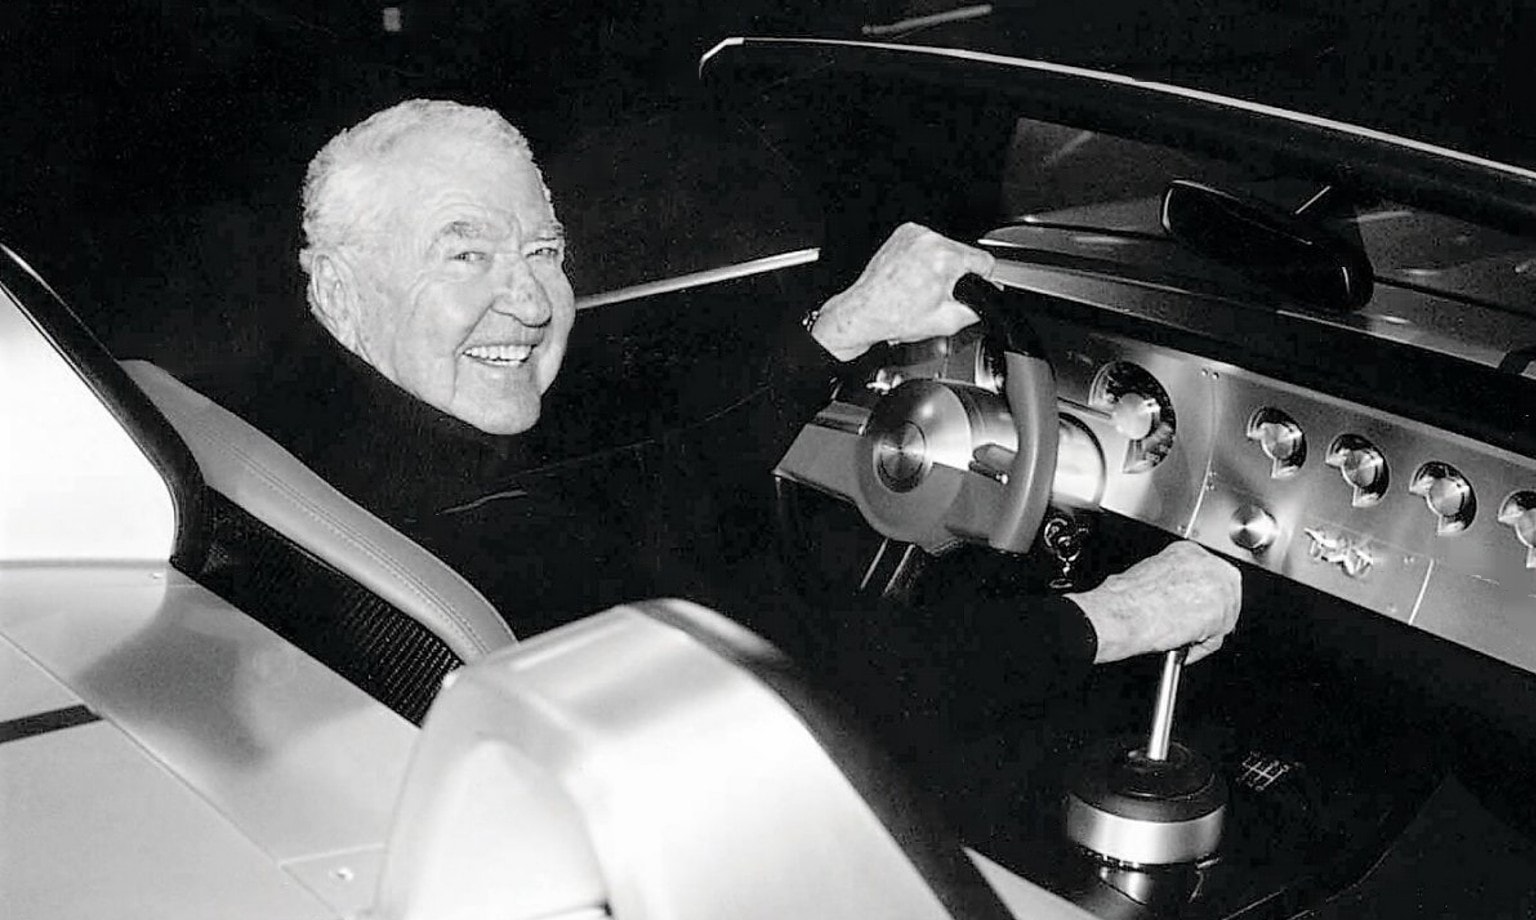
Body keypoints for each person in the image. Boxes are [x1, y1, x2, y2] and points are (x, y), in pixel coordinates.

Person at [229, 99, 1239, 741]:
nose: (531, 302)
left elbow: (640, 489)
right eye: (465, 255)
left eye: (543, 251)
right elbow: (818, 693)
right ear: (339, 291)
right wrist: (1113, 617)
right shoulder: (495, 534)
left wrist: (843, 328)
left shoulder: (325, 436)